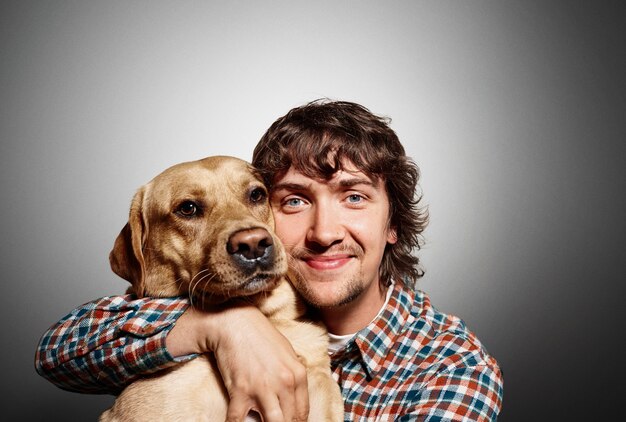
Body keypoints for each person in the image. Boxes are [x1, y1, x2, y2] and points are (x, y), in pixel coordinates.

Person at [36, 100, 503, 421]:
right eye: (295, 201)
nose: (324, 233)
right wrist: (225, 327)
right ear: (272, 216)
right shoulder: (230, 299)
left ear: (393, 224)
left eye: (354, 198)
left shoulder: (452, 366)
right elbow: (56, 350)